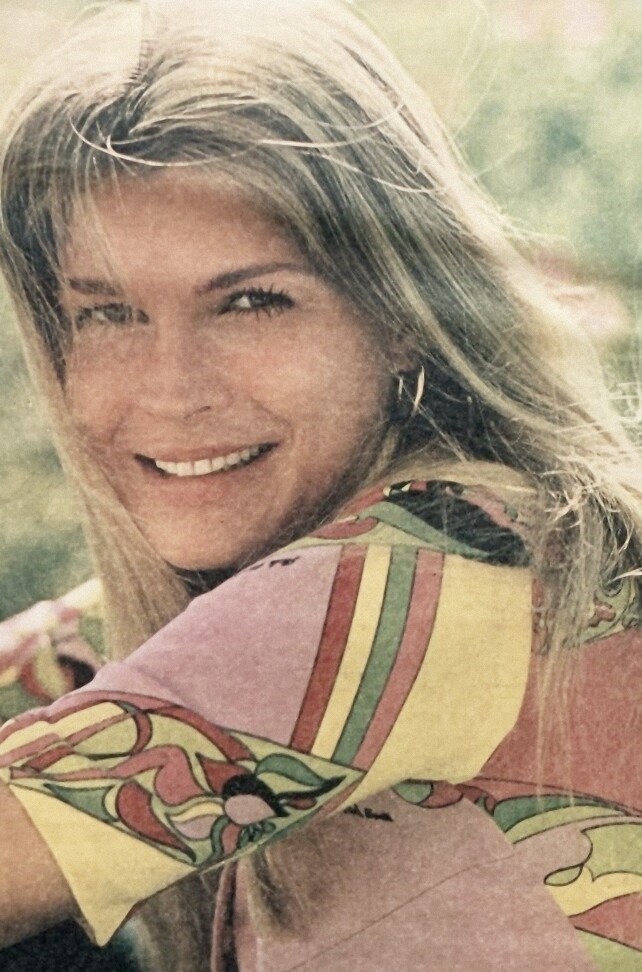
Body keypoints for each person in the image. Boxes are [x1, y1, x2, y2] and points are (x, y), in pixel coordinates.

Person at [0, 0, 640, 969]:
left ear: (402, 316)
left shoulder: (413, 585)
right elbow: (59, 651)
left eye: (252, 302)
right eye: (109, 314)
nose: (171, 391)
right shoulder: (443, 544)